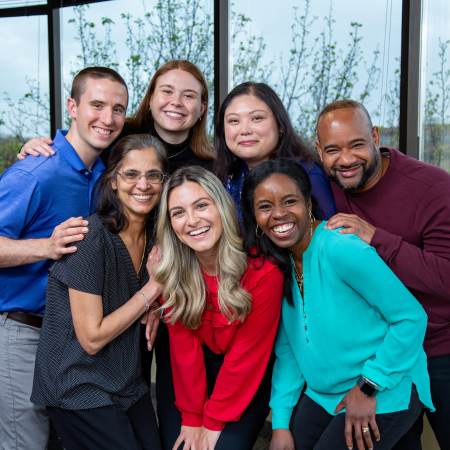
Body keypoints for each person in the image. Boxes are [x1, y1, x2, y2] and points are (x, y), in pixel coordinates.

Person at [240, 158, 434, 450]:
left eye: (289, 201)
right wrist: (279, 423)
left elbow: (411, 318)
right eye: (265, 206)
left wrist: (368, 386)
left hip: (384, 385)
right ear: (254, 216)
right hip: (323, 394)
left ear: (307, 202)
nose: (278, 214)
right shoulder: (277, 263)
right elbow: (289, 350)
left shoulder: (341, 248)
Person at [0, 67, 129, 450]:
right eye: (97, 105)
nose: (107, 119)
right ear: (72, 106)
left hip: (72, 340)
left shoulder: (106, 176)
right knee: (27, 444)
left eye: (118, 109)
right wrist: (46, 247)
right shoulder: (36, 171)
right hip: (24, 332)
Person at [315, 100, 450, 448]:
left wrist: (376, 237)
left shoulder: (432, 187)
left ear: (375, 136)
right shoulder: (325, 188)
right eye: (332, 150)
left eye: (356, 144)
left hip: (439, 351)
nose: (345, 160)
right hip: (379, 358)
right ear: (319, 151)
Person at [31, 134, 167, 450]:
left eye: (153, 175)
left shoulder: (157, 237)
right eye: (131, 174)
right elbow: (91, 338)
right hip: (77, 384)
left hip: (126, 381)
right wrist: (154, 288)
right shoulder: (90, 239)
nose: (143, 185)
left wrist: (159, 304)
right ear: (114, 181)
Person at [151, 166, 283, 450]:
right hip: (189, 377)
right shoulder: (172, 272)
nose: (192, 220)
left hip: (246, 376)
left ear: (221, 206)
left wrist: (212, 422)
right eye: (178, 212)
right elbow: (184, 349)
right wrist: (192, 415)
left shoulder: (263, 273)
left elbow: (246, 358)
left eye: (201, 205)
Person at [19, 59, 214, 173]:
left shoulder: (214, 165)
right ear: (151, 99)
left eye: (188, 95)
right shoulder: (114, 133)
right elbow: (73, 148)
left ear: (202, 108)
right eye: (167, 91)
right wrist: (37, 148)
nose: (177, 102)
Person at [214, 81, 336, 221]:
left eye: (257, 118)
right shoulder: (227, 178)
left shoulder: (308, 174)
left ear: (280, 125)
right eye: (234, 121)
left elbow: (329, 235)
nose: (245, 130)